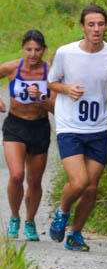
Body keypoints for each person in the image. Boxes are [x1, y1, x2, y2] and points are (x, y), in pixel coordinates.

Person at [47, 4, 107, 251]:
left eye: (100, 24)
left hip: (98, 128)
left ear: (106, 26)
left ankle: (75, 234)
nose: (96, 29)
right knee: (79, 181)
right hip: (70, 126)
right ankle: (62, 211)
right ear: (82, 27)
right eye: (91, 24)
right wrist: (67, 88)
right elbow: (51, 82)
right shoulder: (66, 53)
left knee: (92, 188)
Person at [1, 30, 55, 241]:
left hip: (39, 127)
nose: (33, 54)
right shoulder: (12, 68)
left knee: (34, 181)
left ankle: (30, 221)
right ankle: (14, 216)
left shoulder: (50, 72)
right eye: (29, 49)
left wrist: (41, 97)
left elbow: (56, 108)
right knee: (16, 175)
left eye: (37, 50)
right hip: (15, 126)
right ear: (23, 49)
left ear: (44, 50)